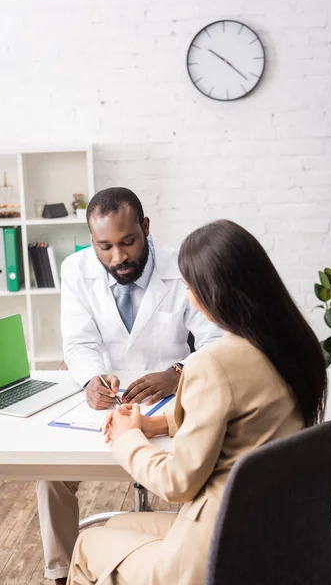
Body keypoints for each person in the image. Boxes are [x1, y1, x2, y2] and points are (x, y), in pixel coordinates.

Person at [67, 219, 327, 585]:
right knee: (116, 524)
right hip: (267, 533)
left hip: (215, 549)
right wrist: (155, 424)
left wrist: (128, 438)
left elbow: (177, 483)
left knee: (87, 545)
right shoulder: (293, 347)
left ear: (214, 292)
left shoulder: (213, 363)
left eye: (189, 286)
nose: (187, 296)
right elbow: (237, 414)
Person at [37, 188, 223, 584]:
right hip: (109, 403)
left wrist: (177, 372)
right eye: (104, 246)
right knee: (49, 471)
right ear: (92, 241)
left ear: (146, 229)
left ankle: (183, 550)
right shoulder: (75, 269)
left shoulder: (183, 265)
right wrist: (91, 379)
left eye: (128, 242)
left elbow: (216, 341)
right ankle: (61, 572)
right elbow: (79, 343)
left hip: (171, 401)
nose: (117, 257)